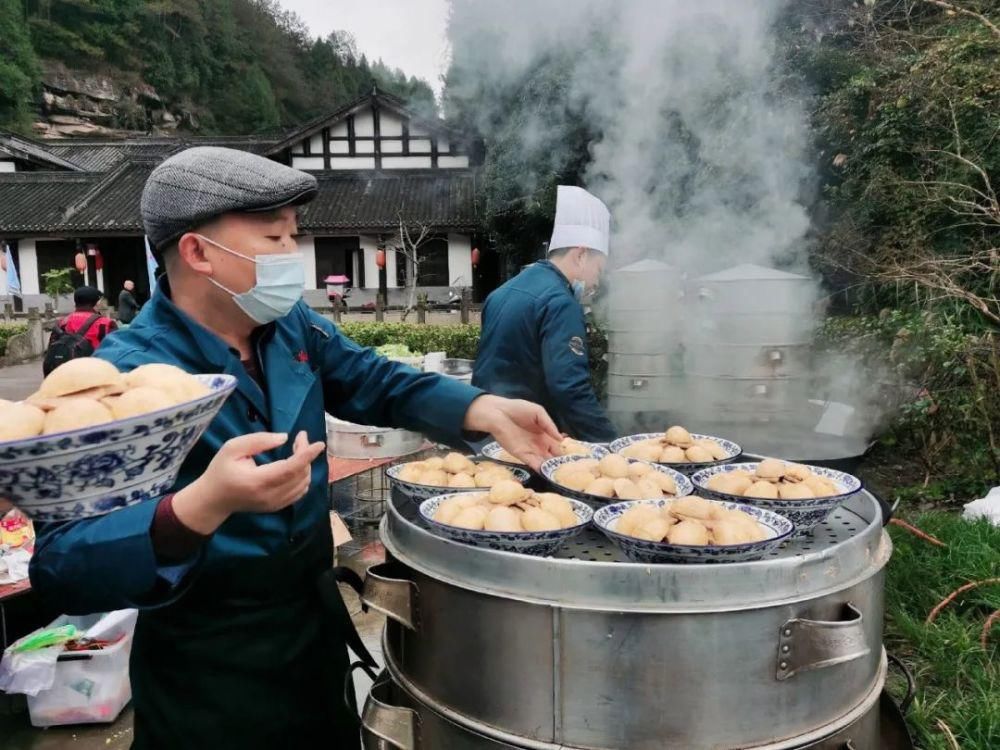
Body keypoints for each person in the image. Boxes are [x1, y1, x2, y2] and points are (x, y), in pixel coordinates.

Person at [29, 147, 562, 750]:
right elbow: (62, 565)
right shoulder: (124, 379)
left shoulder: (292, 330)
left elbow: (373, 379)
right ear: (198, 253)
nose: (292, 256)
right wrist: (199, 506)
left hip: (312, 641)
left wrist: (479, 408)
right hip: (208, 670)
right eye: (272, 238)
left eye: (294, 236)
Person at [473, 185, 618, 443]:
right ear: (581, 255)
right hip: (526, 441)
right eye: (598, 268)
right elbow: (570, 389)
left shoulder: (502, 292)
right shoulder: (560, 302)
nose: (596, 282)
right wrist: (612, 446)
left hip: (487, 434)